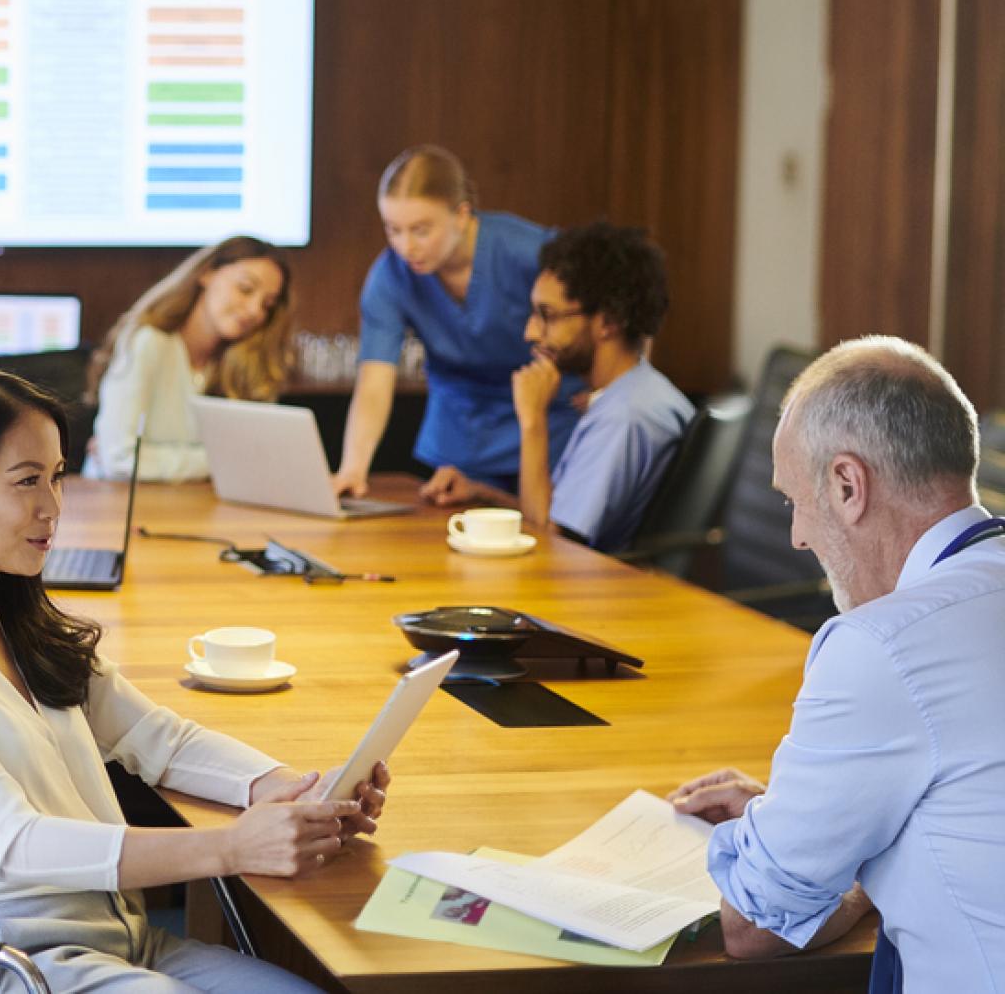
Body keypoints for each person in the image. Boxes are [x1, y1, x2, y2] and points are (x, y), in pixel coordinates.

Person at [0, 368, 390, 992]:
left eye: (57, 477)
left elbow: (163, 740)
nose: (52, 508)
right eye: (26, 482)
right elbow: (12, 840)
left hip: (121, 937)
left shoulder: (23, 627)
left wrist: (291, 792)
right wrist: (231, 849)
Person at [669, 338, 1005, 990]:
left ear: (849, 485)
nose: (796, 535)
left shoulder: (880, 646)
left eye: (794, 500)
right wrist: (823, 817)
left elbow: (752, 928)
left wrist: (792, 841)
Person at [332, 146, 582, 503]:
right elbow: (374, 380)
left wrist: (605, 391)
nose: (406, 247)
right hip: (463, 438)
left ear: (462, 215)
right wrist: (353, 468)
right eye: (393, 230)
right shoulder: (390, 276)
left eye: (420, 230)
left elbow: (613, 310)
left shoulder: (528, 251)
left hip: (550, 422)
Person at [428, 223, 693, 550]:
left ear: (608, 322)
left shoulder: (624, 418)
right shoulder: (638, 393)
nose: (530, 332)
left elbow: (552, 545)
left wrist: (532, 420)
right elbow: (560, 518)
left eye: (547, 315)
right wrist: (484, 494)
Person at [82, 236, 292, 481]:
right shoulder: (149, 342)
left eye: (267, 304)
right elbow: (118, 459)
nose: (256, 311)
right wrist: (223, 462)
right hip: (115, 507)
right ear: (206, 273)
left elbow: (261, 461)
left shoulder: (247, 364)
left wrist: (155, 460)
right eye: (245, 289)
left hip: (196, 508)